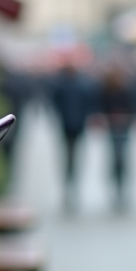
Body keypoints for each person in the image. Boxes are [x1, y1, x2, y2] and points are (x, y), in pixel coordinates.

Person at [51, 62, 95, 211]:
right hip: (74, 125)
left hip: (71, 125)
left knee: (70, 156)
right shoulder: (79, 85)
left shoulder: (63, 85)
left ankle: (70, 182)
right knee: (72, 156)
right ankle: (71, 182)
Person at [100, 66, 136, 210]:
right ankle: (116, 186)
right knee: (116, 157)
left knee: (121, 157)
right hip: (113, 127)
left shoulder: (126, 90)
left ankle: (122, 187)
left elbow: (133, 106)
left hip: (123, 127)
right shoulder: (106, 90)